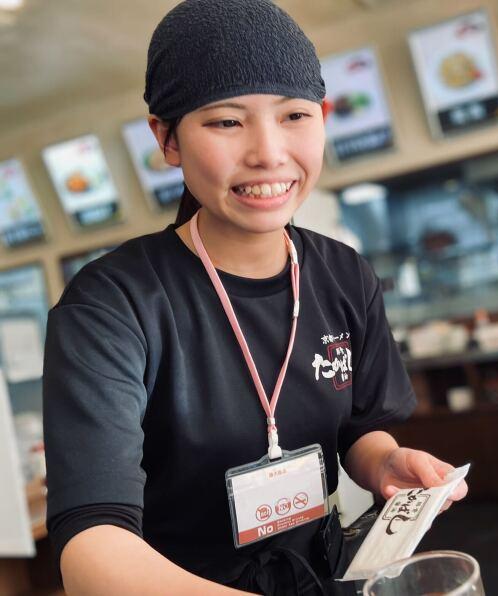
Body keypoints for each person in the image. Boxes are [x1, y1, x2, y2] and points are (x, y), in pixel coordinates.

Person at [42, 1, 467, 594]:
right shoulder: (112, 305)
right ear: (167, 138)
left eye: (294, 115)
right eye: (226, 122)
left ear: (323, 118)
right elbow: (91, 548)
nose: (268, 152)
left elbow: (359, 428)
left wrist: (383, 462)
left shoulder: (344, 274)